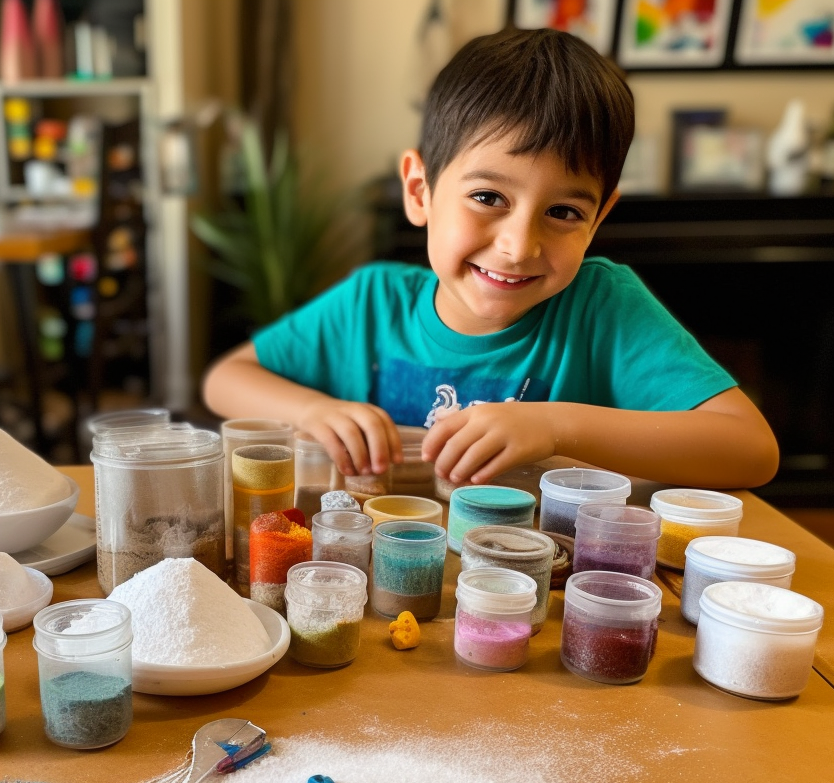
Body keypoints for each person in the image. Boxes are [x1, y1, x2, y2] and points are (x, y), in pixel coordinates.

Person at [202, 28, 779, 490]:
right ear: (420, 189)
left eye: (564, 213)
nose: (518, 245)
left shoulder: (605, 307)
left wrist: (554, 426)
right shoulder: (370, 303)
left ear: (600, 217)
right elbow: (227, 380)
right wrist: (312, 411)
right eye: (488, 198)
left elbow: (751, 451)